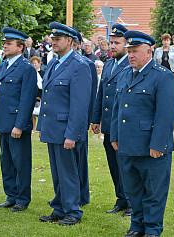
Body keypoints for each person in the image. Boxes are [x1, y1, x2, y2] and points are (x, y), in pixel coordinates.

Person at [110, 31, 174, 237]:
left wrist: (158, 144)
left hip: (151, 147)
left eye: (135, 51)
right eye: (129, 51)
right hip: (127, 145)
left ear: (149, 52)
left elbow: (166, 115)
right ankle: (136, 226)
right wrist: (114, 135)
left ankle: (152, 229)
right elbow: (117, 108)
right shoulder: (124, 74)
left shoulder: (162, 76)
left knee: (154, 192)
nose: (130, 55)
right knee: (134, 191)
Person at [37, 22, 91, 226]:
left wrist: (72, 134)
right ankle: (59, 207)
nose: (53, 43)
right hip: (53, 127)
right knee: (57, 171)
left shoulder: (79, 65)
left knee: (68, 172)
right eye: (52, 39)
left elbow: (79, 105)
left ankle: (72, 211)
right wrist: (41, 126)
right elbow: (48, 97)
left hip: (66, 129)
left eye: (57, 39)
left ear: (70, 41)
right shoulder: (53, 63)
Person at [0, 27, 37, 212]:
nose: (5, 46)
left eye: (9, 44)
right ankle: (11, 195)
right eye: (5, 43)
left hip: (17, 124)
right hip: (3, 122)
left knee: (21, 162)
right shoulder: (3, 65)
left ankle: (23, 199)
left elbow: (27, 100)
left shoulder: (26, 69)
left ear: (20, 47)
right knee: (6, 161)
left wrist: (19, 125)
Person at [92, 23, 132, 216]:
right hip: (108, 124)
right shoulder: (108, 64)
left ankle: (132, 201)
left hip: (122, 125)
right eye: (111, 42)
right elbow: (102, 93)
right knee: (113, 164)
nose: (112, 46)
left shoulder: (130, 65)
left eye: (117, 43)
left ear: (126, 45)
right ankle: (121, 199)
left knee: (125, 164)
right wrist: (96, 118)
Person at [71, 27, 98, 207]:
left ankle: (82, 195)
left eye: (75, 43)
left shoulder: (86, 64)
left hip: (81, 120)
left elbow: (91, 95)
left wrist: (88, 120)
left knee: (80, 159)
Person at [30, 56, 44, 133]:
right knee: (33, 114)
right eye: (33, 63)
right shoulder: (30, 73)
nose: (34, 65)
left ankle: (41, 129)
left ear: (39, 64)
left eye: (35, 63)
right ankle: (34, 128)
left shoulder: (43, 73)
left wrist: (40, 96)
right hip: (33, 95)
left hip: (41, 96)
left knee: (41, 114)